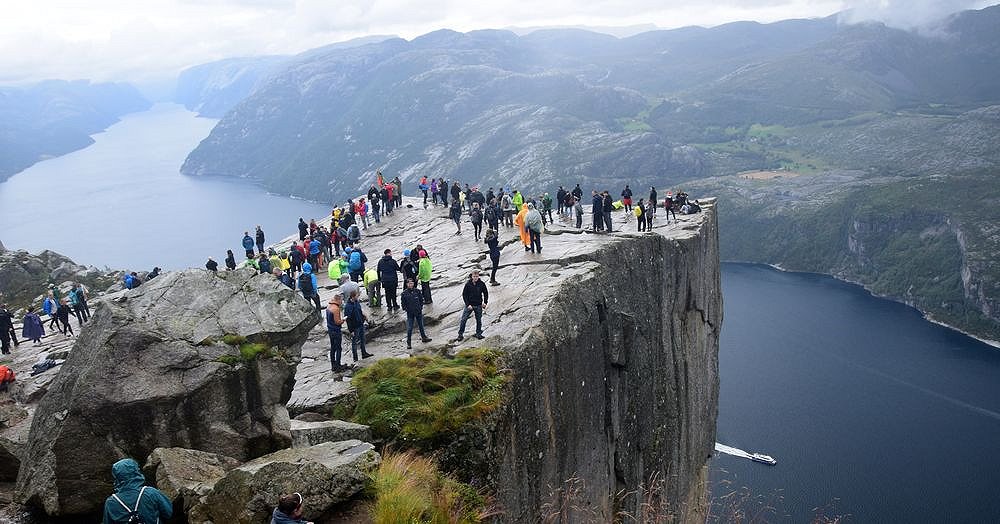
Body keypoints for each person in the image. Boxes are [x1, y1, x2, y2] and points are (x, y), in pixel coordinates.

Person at [102, 458, 172, 524]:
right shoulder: (151, 492)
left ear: (117, 478)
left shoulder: (111, 502)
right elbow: (168, 513)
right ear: (136, 472)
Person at [456, 270, 488, 341]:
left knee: (479, 320)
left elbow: (485, 293)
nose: (475, 278)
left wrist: (485, 302)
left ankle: (478, 333)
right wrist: (468, 304)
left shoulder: (482, 284)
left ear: (478, 276)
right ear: (472, 276)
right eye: (474, 276)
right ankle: (460, 334)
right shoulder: (468, 284)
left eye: (477, 276)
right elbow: (464, 295)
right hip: (469, 305)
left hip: (479, 305)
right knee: (463, 319)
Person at [401, 278, 431, 350]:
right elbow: (403, 305)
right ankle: (409, 342)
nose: (410, 284)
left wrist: (420, 307)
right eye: (409, 283)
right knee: (410, 328)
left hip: (418, 312)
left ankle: (424, 337)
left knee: (421, 325)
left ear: (413, 284)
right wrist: (407, 310)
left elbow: (421, 300)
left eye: (411, 283)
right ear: (406, 284)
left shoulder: (417, 291)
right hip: (410, 314)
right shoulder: (404, 293)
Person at [344, 290, 373, 362]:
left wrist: (365, 318)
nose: (358, 297)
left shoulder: (357, 302)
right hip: (354, 327)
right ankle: (355, 358)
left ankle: (364, 353)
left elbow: (360, 311)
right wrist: (351, 330)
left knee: (363, 339)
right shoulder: (348, 306)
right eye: (357, 296)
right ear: (353, 296)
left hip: (360, 324)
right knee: (354, 342)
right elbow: (348, 319)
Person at [327, 295, 346, 372]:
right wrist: (343, 320)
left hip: (330, 330)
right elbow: (337, 322)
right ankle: (338, 365)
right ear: (338, 300)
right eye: (341, 300)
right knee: (338, 348)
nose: (341, 302)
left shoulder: (329, 307)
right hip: (336, 331)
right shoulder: (336, 309)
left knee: (333, 348)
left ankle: (333, 365)